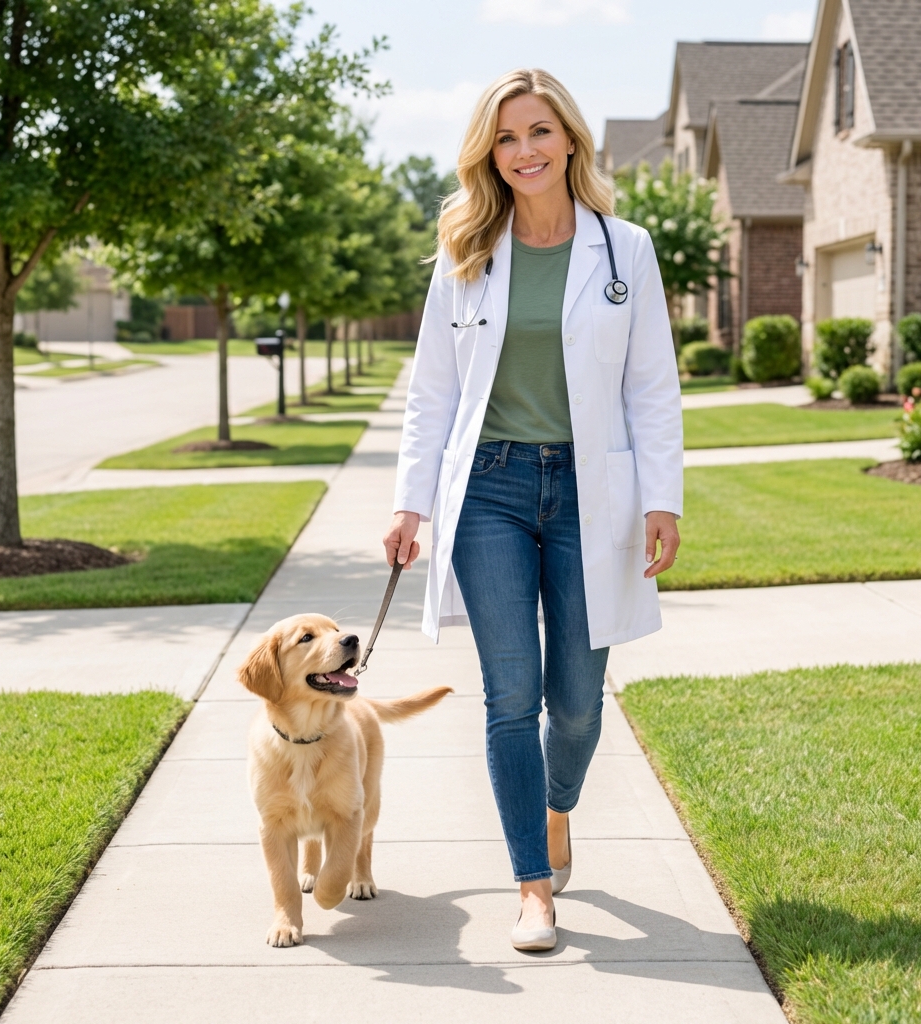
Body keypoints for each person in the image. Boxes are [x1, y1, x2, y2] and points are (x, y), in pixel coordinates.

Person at [383, 68, 683, 952]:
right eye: (506, 138)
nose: (524, 152)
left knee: (579, 703)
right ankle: (531, 887)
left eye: (539, 132)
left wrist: (662, 497)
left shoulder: (624, 249)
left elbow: (652, 386)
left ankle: (557, 809)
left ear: (570, 140)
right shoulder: (466, 249)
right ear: (490, 153)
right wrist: (410, 502)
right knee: (510, 696)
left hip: (593, 491)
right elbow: (430, 393)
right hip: (489, 491)